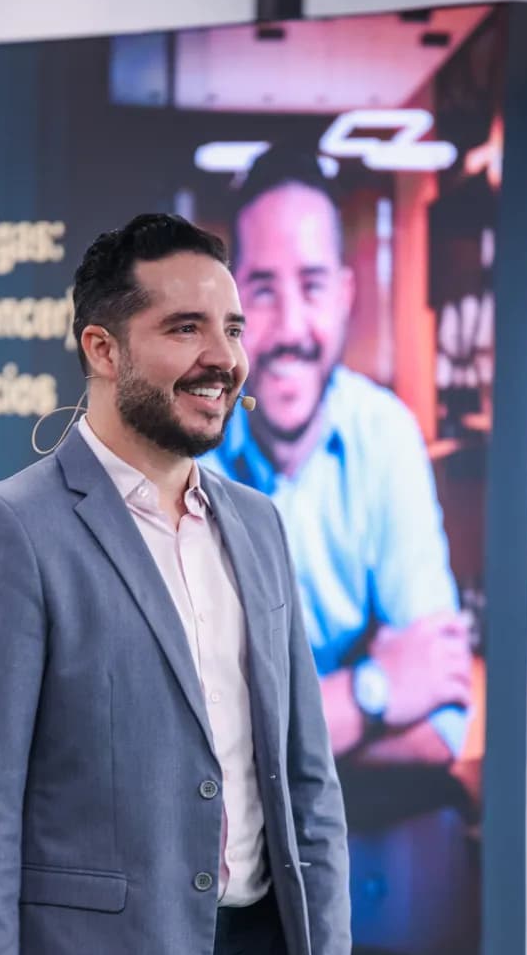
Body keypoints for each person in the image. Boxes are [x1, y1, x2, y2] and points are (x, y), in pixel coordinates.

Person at [0, 213, 350, 955]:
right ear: (103, 348)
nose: (222, 358)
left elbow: (305, 780)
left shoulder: (260, 526)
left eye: (231, 328)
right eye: (185, 328)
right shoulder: (7, 530)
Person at [202, 150, 473, 766]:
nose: (291, 327)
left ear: (346, 295)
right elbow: (184, 741)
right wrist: (372, 693)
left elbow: (442, 726)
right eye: (263, 290)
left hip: (356, 825)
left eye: (313, 285)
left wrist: (263, 747)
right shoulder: (181, 454)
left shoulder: (387, 435)